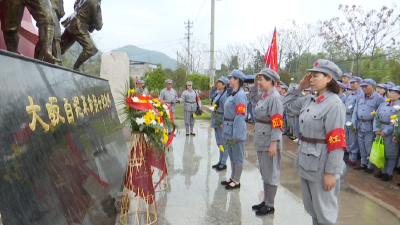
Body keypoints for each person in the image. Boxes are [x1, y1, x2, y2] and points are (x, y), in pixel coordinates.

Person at [283, 59, 346, 225]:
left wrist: (331, 173)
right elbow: (287, 106)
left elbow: (337, 141)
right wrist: (299, 88)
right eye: (310, 75)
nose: (311, 79)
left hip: (322, 165)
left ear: (328, 78)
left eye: (315, 75)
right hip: (306, 162)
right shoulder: (310, 100)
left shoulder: (334, 104)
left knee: (325, 213)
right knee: (313, 210)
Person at [251, 68, 283, 216]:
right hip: (262, 138)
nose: (259, 82)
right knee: (265, 171)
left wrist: (274, 143)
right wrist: (254, 84)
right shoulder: (265, 96)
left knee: (271, 173)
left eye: (261, 80)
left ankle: (270, 204)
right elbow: (253, 100)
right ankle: (266, 200)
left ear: (270, 81)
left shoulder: (275, 97)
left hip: (270, 140)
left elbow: (277, 122)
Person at [220, 69, 247, 190]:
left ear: (237, 80)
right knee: (232, 155)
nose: (229, 80)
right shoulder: (233, 93)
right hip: (229, 128)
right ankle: (232, 177)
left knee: (238, 156)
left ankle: (237, 180)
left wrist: (236, 134)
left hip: (235, 130)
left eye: (231, 78)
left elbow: (240, 116)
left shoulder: (240, 95)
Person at [352, 79, 385, 174]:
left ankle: (370, 166)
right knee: (361, 146)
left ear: (373, 86)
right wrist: (354, 124)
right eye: (362, 86)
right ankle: (363, 164)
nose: (364, 88)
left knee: (368, 146)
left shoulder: (378, 98)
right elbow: (355, 111)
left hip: (370, 125)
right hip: (360, 124)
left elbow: (380, 114)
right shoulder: (360, 96)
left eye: (366, 86)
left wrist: (377, 128)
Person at [373, 86, 400, 181]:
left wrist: (386, 131)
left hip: (392, 133)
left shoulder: (398, 106)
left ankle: (389, 173)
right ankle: (383, 171)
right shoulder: (384, 104)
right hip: (380, 130)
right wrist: (376, 129)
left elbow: (397, 121)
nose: (391, 94)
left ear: (399, 95)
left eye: (394, 93)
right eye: (390, 92)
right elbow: (376, 116)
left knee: (391, 154)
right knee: (382, 152)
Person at [211, 77, 229, 171]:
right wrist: (213, 88)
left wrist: (222, 122)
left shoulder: (225, 95)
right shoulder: (219, 93)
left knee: (223, 142)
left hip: (221, 119)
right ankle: (220, 161)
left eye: (220, 83)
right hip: (216, 119)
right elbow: (211, 97)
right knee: (219, 142)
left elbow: (226, 109)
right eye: (217, 82)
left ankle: (223, 162)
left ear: (225, 85)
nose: (218, 84)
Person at [344, 76, 363, 167]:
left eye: (353, 83)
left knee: (353, 139)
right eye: (350, 83)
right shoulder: (350, 94)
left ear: (359, 83)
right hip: (346, 117)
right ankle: (349, 156)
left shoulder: (361, 94)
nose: (351, 84)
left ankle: (353, 158)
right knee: (347, 138)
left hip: (353, 118)